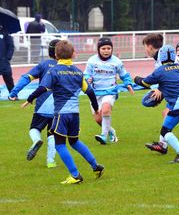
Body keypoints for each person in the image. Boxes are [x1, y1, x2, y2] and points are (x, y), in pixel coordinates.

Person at [22, 40, 104, 184]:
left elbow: (42, 88)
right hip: (75, 114)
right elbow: (90, 92)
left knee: (60, 145)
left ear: (55, 54)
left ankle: (75, 175)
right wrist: (96, 109)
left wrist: (30, 99)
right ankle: (95, 165)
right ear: (73, 54)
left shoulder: (53, 71)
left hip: (61, 114)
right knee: (74, 141)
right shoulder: (78, 72)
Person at [9, 39, 60, 168]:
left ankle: (36, 140)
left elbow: (26, 77)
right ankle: (50, 162)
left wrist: (14, 91)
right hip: (61, 106)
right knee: (53, 134)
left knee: (34, 128)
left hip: (43, 104)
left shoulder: (43, 65)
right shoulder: (68, 68)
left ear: (49, 51)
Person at [84, 37, 134, 145]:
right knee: (98, 119)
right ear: (98, 49)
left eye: (108, 48)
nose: (106, 51)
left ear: (112, 49)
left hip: (110, 91)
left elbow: (124, 75)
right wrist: (87, 78)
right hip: (95, 93)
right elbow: (86, 73)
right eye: (103, 48)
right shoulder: (92, 60)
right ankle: (111, 131)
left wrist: (128, 84)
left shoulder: (116, 62)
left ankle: (103, 136)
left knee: (105, 110)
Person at [0, 25, 15, 92]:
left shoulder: (5, 32)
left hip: (4, 60)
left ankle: (13, 94)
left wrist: (8, 57)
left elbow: (11, 46)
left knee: (8, 77)